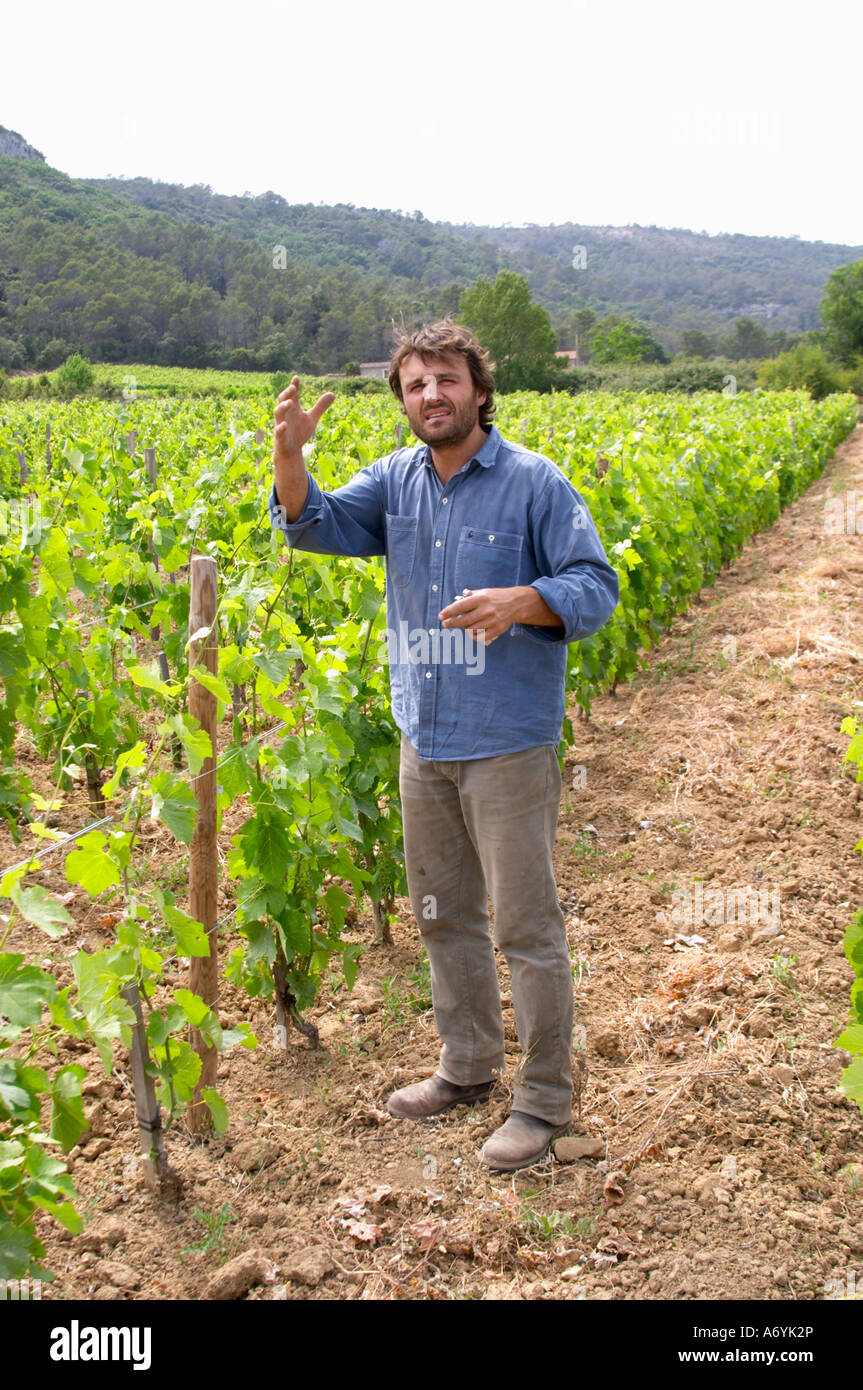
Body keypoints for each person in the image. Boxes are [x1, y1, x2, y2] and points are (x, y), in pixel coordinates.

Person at [269, 319, 619, 1171]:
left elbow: (594, 586)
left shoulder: (534, 483)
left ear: (478, 388)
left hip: (506, 741)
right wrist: (288, 459)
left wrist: (522, 601)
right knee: (440, 915)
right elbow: (313, 522)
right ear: (402, 400)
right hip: (424, 738)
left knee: (526, 928)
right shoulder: (394, 482)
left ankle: (542, 1103)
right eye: (416, 384)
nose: (432, 395)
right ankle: (465, 1066)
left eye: (447, 379)